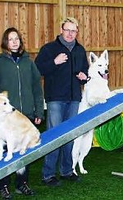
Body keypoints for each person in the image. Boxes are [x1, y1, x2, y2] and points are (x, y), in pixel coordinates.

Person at [0, 27, 44, 199]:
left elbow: (37, 89)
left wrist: (39, 111)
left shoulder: (28, 62)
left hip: (25, 116)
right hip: (5, 117)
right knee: (4, 150)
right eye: (11, 39)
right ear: (6, 42)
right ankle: (3, 185)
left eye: (16, 38)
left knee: (23, 151)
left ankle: (22, 183)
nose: (15, 41)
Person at [35, 17, 88, 186]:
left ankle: (67, 170)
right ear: (61, 30)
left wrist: (84, 78)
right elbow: (37, 69)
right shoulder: (49, 49)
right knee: (54, 135)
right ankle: (48, 174)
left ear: (77, 32)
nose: (70, 33)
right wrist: (54, 62)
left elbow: (85, 72)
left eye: (73, 31)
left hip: (74, 98)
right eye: (67, 30)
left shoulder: (80, 50)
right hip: (55, 98)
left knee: (70, 136)